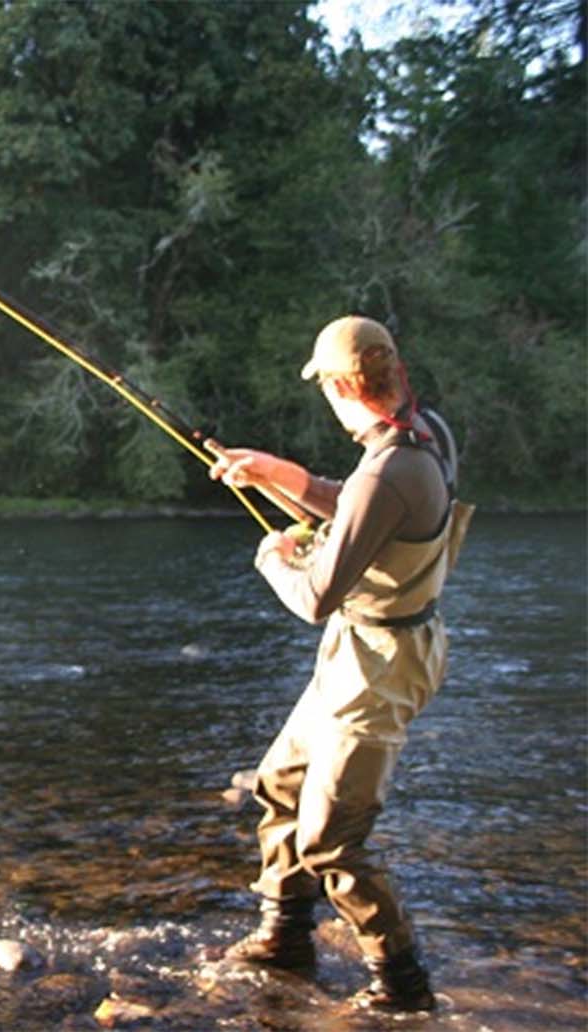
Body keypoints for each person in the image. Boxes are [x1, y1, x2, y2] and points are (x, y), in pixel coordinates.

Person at [208, 316, 473, 1013]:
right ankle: (285, 935)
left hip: (380, 666)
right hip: (369, 650)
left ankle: (403, 986)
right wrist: (276, 476)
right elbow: (355, 508)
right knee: (279, 785)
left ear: (342, 386)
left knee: (333, 841)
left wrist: (272, 558)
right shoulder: (424, 434)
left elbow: (316, 595)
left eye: (326, 384)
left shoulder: (389, 469)